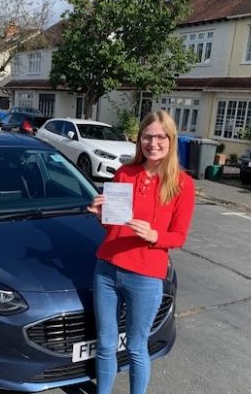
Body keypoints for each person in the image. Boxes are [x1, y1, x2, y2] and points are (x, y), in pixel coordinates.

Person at [87, 110, 195, 394]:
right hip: (107, 269)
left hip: (145, 277)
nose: (153, 143)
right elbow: (113, 226)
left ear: (171, 140)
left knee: (136, 347)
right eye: (147, 136)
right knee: (106, 344)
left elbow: (179, 237)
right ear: (139, 140)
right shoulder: (125, 173)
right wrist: (100, 214)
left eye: (160, 136)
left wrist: (153, 235)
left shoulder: (182, 184)